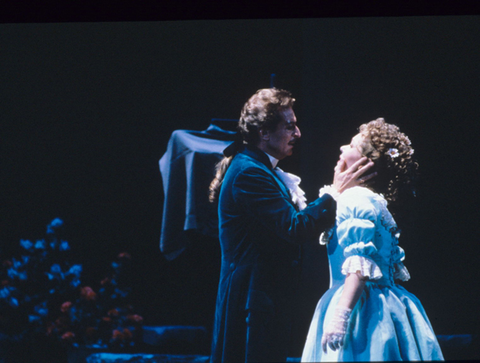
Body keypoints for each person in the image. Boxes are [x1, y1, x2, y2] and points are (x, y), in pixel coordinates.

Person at [208, 88, 374, 363]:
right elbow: (295, 228)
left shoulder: (260, 169)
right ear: (264, 132)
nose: (297, 134)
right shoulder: (249, 172)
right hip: (252, 303)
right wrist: (334, 192)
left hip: (263, 299)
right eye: (290, 126)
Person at [301, 117, 444, 362]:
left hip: (362, 309)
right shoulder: (367, 199)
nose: (342, 149)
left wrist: (341, 315)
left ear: (368, 164)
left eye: (353, 146)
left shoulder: (355, 199)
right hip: (386, 303)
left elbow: (359, 266)